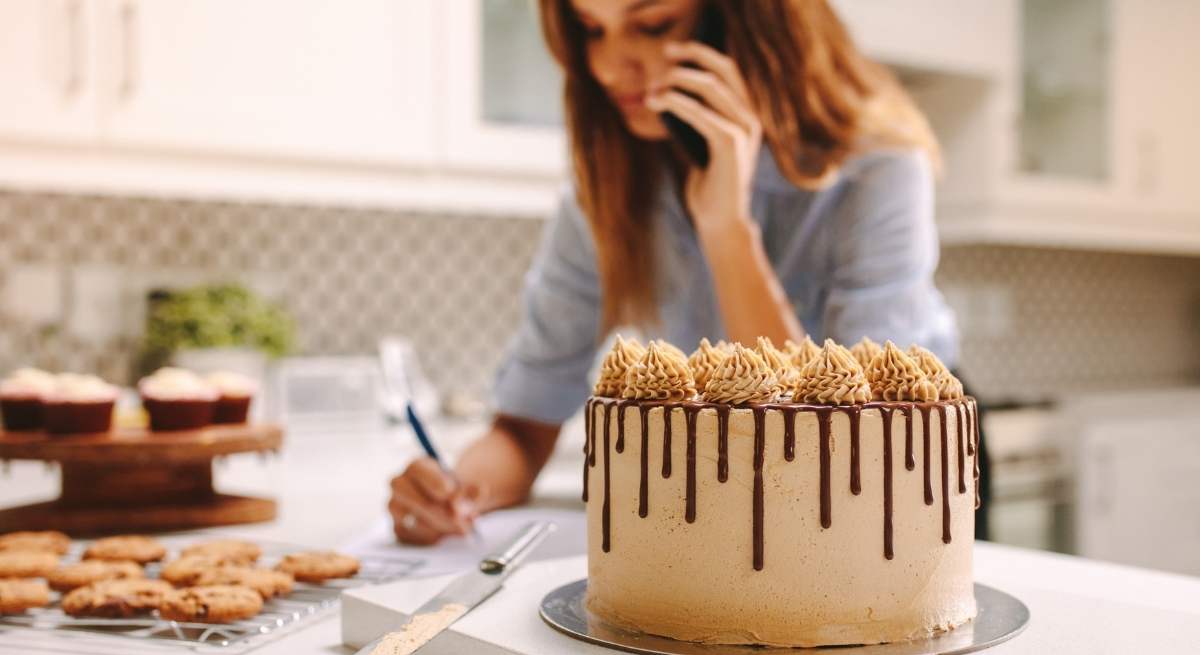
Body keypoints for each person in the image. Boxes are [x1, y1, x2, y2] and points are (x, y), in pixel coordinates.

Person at [389, 0, 986, 545]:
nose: (610, 67)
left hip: (903, 479)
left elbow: (845, 451)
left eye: (653, 25)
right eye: (592, 30)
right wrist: (454, 493)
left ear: (749, 22)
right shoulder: (610, 187)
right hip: (745, 485)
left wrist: (727, 229)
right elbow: (525, 427)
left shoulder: (877, 165)